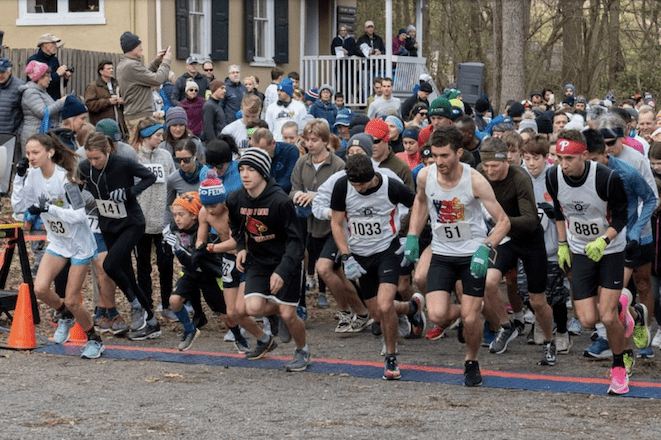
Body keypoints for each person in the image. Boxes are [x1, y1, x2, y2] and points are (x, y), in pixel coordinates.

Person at [405, 126, 510, 386]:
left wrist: (486, 248)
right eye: (435, 155)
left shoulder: (475, 180)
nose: (439, 162)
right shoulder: (425, 176)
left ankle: (471, 361)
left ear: (459, 153)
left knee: (471, 317)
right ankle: (467, 313)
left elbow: (503, 222)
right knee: (438, 316)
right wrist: (412, 235)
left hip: (471, 254)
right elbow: (420, 203)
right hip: (442, 253)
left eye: (445, 156)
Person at [547, 129, 632, 394]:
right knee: (586, 320)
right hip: (579, 250)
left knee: (606, 317)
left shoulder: (606, 178)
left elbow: (621, 217)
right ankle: (627, 310)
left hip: (610, 250)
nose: (563, 164)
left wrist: (604, 240)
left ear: (583, 156)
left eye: (569, 159)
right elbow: (559, 212)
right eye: (559, 157)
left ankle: (619, 366)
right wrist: (562, 245)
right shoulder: (553, 176)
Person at [11, 132, 103, 358]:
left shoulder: (65, 180)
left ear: (50, 152)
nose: (31, 157)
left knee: (72, 299)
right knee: (40, 289)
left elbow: (81, 215)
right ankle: (65, 315)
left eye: (35, 152)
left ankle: (94, 339)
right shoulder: (32, 176)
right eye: (28, 153)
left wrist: (49, 209)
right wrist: (19, 177)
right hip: (58, 241)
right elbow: (19, 207)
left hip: (79, 243)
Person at [330, 154, 417, 380]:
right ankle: (410, 308)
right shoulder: (342, 186)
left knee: (385, 304)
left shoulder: (391, 187)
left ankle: (391, 356)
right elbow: (337, 223)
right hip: (359, 254)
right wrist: (346, 256)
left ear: (373, 177)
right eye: (354, 184)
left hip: (387, 250)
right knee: (377, 313)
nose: (358, 188)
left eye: (363, 183)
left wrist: (411, 236)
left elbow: (418, 206)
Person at [226, 148, 310, 371]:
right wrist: (242, 246)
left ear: (263, 172)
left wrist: (282, 271)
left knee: (289, 313)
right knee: (251, 308)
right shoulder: (235, 199)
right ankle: (277, 315)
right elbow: (234, 224)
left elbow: (296, 242)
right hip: (258, 260)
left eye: (251, 169)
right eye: (241, 169)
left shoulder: (280, 201)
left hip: (286, 261)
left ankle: (302, 350)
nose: (244, 174)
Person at [479, 138, 556, 366]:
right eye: (487, 166)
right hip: (506, 238)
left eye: (496, 165)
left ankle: (549, 340)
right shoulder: (478, 174)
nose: (490, 170)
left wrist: (501, 221)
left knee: (537, 300)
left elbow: (531, 220)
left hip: (530, 239)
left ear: (507, 160)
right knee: (489, 281)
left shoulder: (519, 178)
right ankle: (506, 325)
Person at [79, 128, 159, 340]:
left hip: (131, 223)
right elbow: (74, 182)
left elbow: (149, 177)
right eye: (90, 158)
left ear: (107, 151)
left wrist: (128, 192)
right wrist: (82, 192)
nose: (93, 162)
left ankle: (135, 304)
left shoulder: (122, 163)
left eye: (97, 158)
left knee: (110, 265)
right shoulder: (85, 167)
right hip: (108, 225)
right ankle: (151, 321)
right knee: (126, 273)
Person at [290, 119, 347, 318]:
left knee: (328, 269)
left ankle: (346, 309)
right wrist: (298, 196)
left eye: (314, 140)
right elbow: (294, 188)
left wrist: (315, 196)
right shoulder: (301, 162)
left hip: (333, 226)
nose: (310, 144)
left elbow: (343, 196)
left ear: (325, 141)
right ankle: (354, 309)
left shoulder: (338, 165)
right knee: (330, 270)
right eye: (307, 140)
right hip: (308, 224)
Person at [131, 118, 176, 323]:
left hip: (163, 217)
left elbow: (172, 182)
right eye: (157, 135)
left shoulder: (165, 156)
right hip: (140, 220)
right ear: (146, 136)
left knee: (166, 262)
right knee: (143, 265)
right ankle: (146, 303)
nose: (161, 138)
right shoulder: (134, 156)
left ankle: (167, 303)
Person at [115, 31, 172, 140]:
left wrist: (156, 62)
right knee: (142, 150)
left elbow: (143, 76)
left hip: (136, 115)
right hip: (140, 117)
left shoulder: (126, 64)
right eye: (139, 45)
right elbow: (158, 79)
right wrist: (166, 62)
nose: (141, 48)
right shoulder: (132, 65)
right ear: (132, 48)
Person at [19, 61, 66, 153]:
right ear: (39, 77)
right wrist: (60, 102)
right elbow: (43, 112)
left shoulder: (42, 91)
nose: (50, 79)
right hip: (33, 136)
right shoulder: (30, 92)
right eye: (48, 76)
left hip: (40, 135)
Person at [250, 127, 299, 193]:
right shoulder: (255, 155)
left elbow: (289, 180)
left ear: (273, 143)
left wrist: (267, 191)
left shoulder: (290, 151)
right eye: (257, 151)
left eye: (264, 151)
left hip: (283, 194)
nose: (260, 155)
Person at [83, 60, 127, 135]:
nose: (111, 70)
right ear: (101, 71)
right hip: (102, 128)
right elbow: (89, 105)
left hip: (119, 127)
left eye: (112, 68)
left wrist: (122, 101)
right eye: (108, 69)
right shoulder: (93, 87)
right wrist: (108, 102)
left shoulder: (117, 85)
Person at [27, 34, 70, 101]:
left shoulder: (54, 60)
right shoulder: (34, 61)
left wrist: (65, 79)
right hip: (40, 100)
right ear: (45, 44)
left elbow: (57, 85)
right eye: (53, 43)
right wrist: (57, 74)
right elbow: (36, 84)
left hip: (55, 100)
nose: (56, 46)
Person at [264, 78, 308, 142]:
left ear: (288, 92)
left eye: (282, 91)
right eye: (278, 90)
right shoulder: (271, 107)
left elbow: (303, 126)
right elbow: (269, 127)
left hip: (294, 143)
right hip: (277, 142)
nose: (279, 93)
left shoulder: (300, 107)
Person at [0, 57, 25, 137]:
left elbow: (26, 113)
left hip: (10, 136)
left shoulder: (20, 87)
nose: (0, 75)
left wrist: (17, 133)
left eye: (2, 72)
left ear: (9, 71)